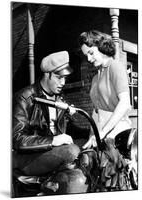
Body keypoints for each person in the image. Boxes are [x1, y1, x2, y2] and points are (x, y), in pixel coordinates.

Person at [12, 51, 90, 183]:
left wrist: (92, 134)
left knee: (88, 148)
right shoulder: (25, 98)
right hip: (28, 158)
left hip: (54, 152)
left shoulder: (59, 98)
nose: (63, 82)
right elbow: (17, 139)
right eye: (59, 77)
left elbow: (70, 130)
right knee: (72, 151)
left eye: (65, 78)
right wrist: (52, 140)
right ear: (47, 74)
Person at [78, 30, 132, 149]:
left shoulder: (115, 66)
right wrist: (93, 132)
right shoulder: (96, 77)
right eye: (86, 55)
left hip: (116, 129)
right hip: (99, 128)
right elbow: (96, 110)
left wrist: (103, 131)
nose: (89, 59)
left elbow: (125, 103)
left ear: (101, 46)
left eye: (91, 53)